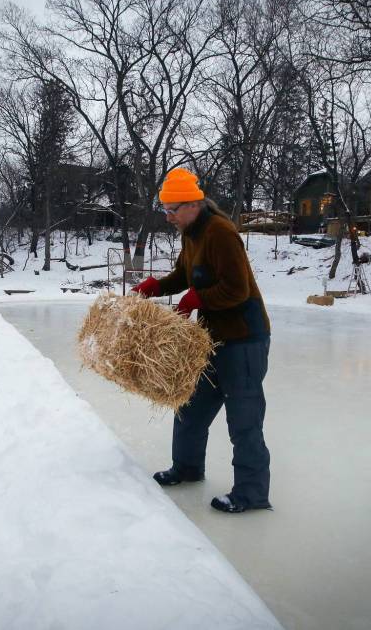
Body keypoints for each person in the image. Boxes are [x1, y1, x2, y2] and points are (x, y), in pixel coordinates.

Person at [132, 167, 272, 513]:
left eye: (172, 210)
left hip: (244, 339)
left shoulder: (221, 233)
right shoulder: (191, 234)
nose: (167, 217)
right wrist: (157, 286)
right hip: (212, 339)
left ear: (192, 204)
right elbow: (185, 275)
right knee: (190, 409)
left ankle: (252, 495)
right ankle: (188, 468)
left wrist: (197, 299)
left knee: (244, 420)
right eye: (165, 210)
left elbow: (237, 290)